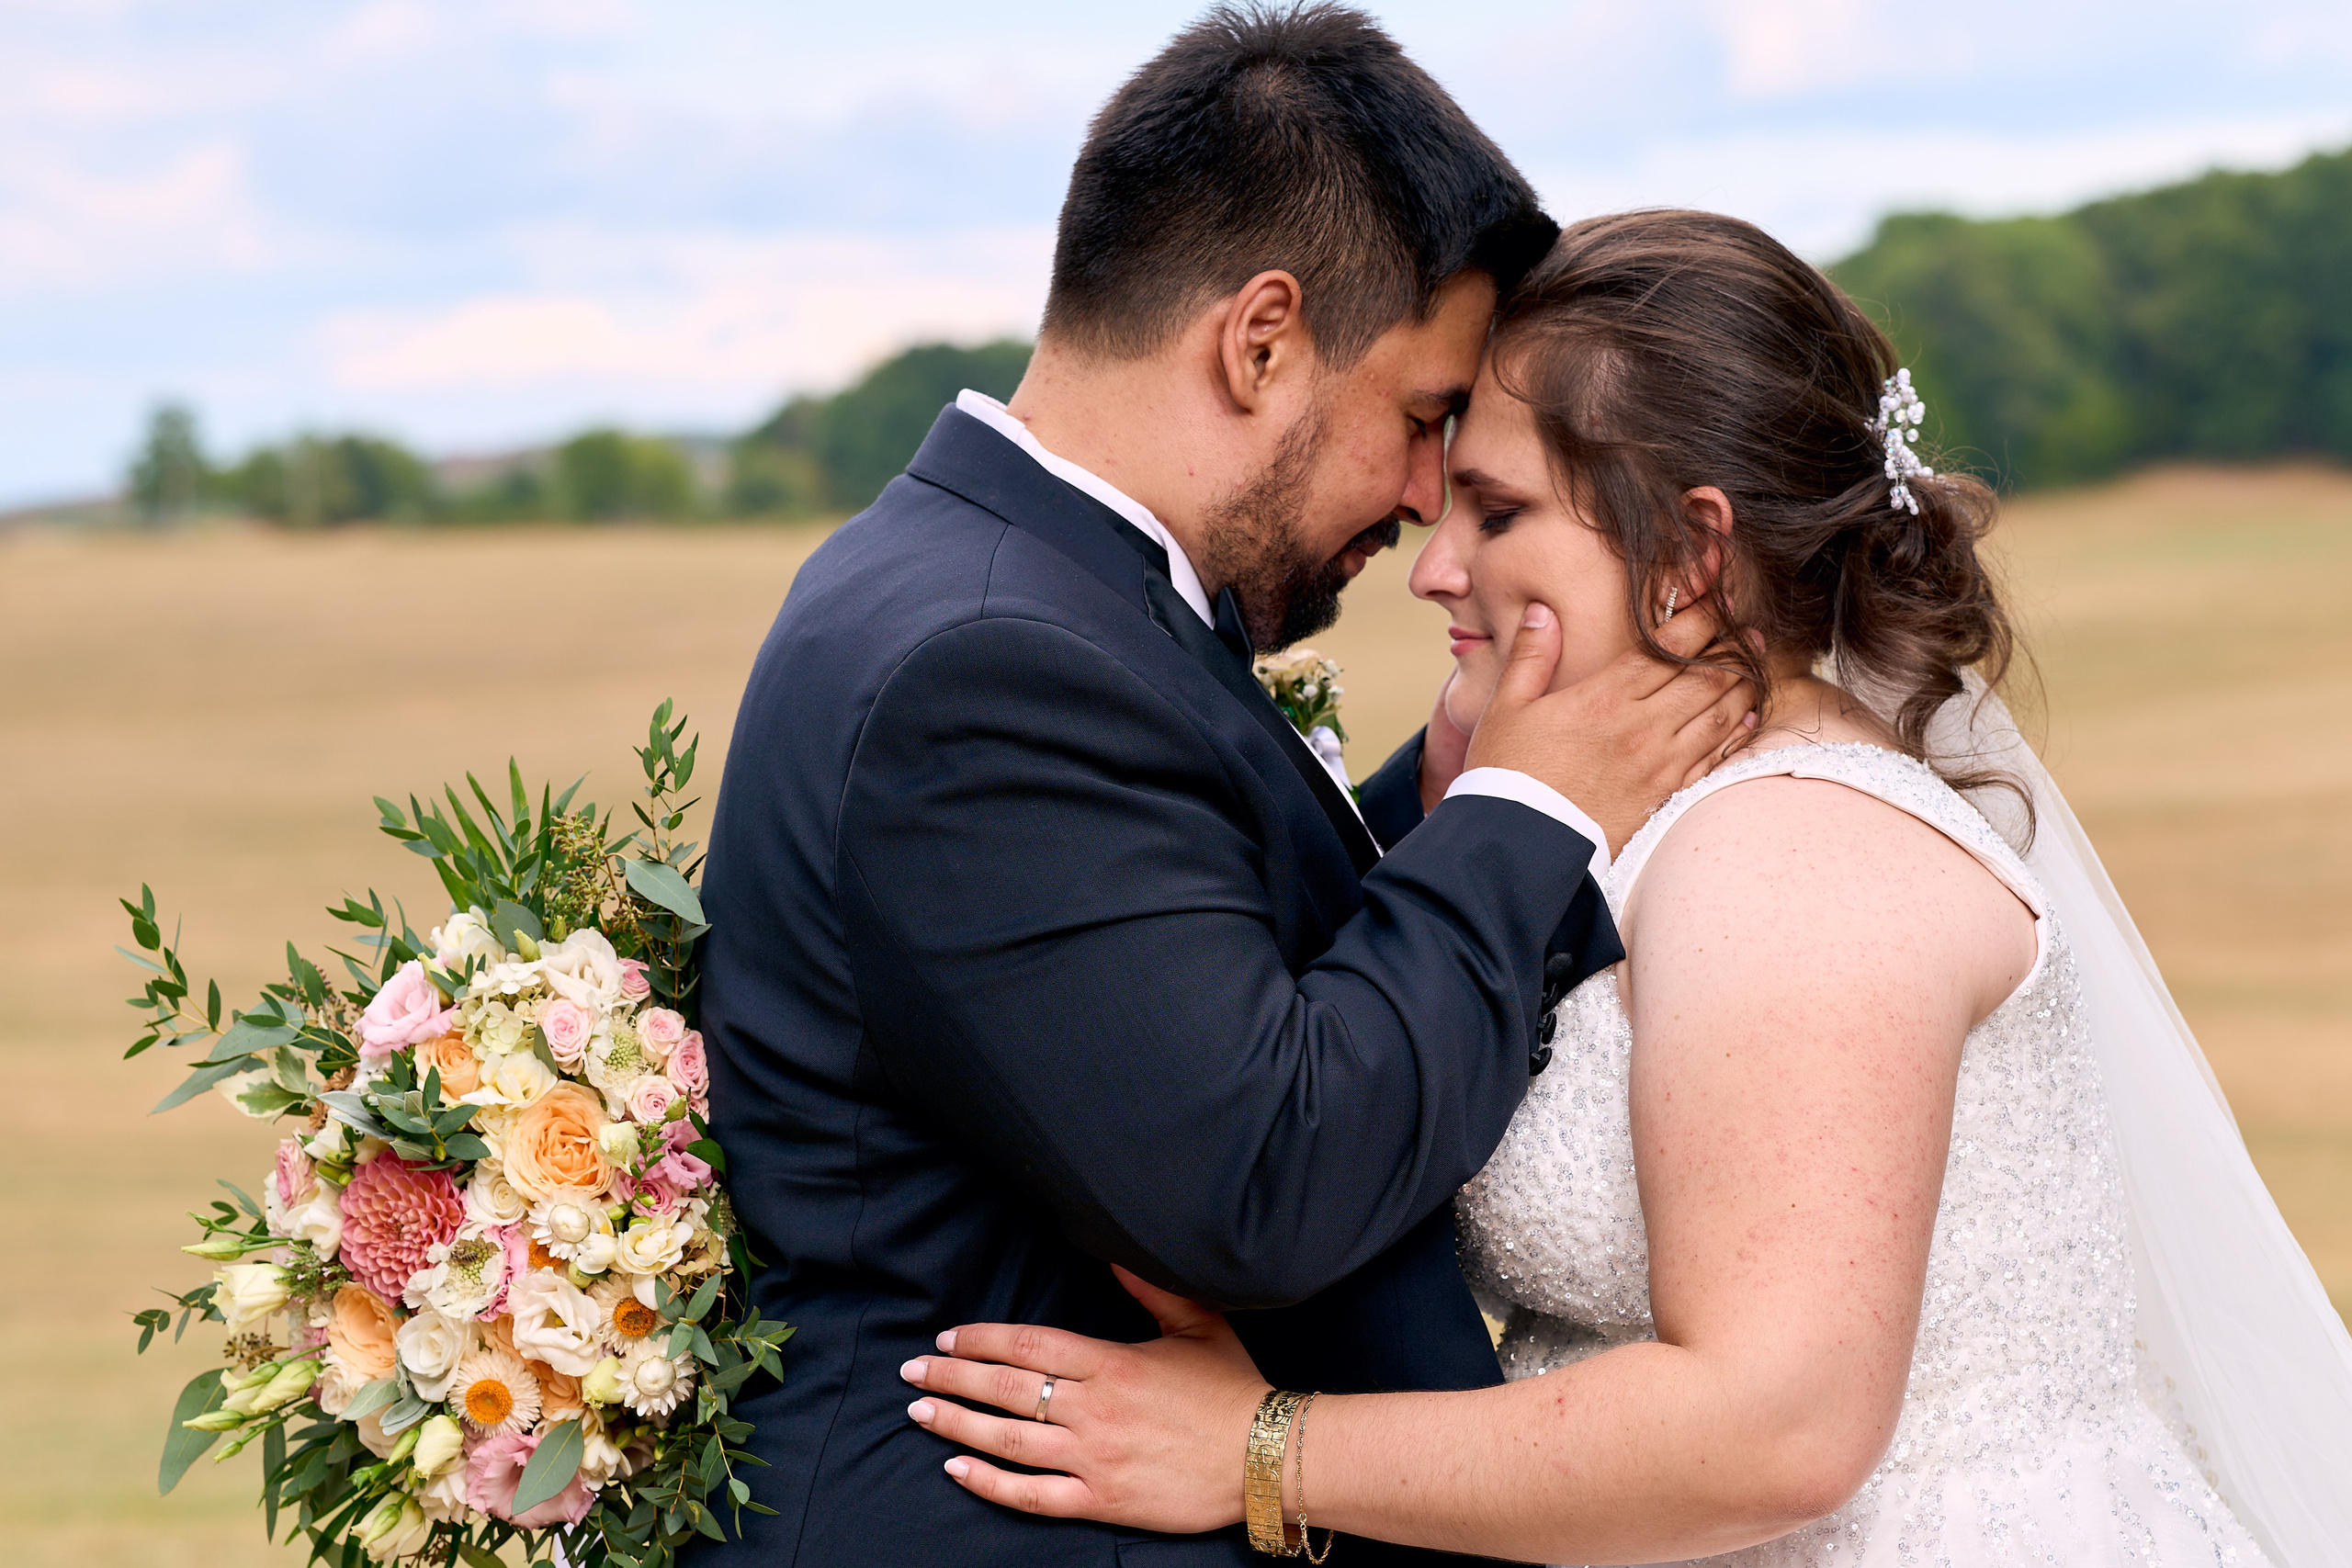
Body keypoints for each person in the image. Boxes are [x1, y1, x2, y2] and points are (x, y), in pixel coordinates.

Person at [896, 210, 2352, 1564]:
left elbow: (1779, 1429)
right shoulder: (1658, 817)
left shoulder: (1796, 850)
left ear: (1691, 556)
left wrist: (1264, 1452)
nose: (1434, 567)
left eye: (1497, 511)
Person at [695, 11, 1755, 1565]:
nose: (1425, 498)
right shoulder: (987, 665)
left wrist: (1433, 805)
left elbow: (1162, 955)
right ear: (1261, 340)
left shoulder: (1005, 587)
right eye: (1419, 417)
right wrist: (1525, 820)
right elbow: (1262, 1177)